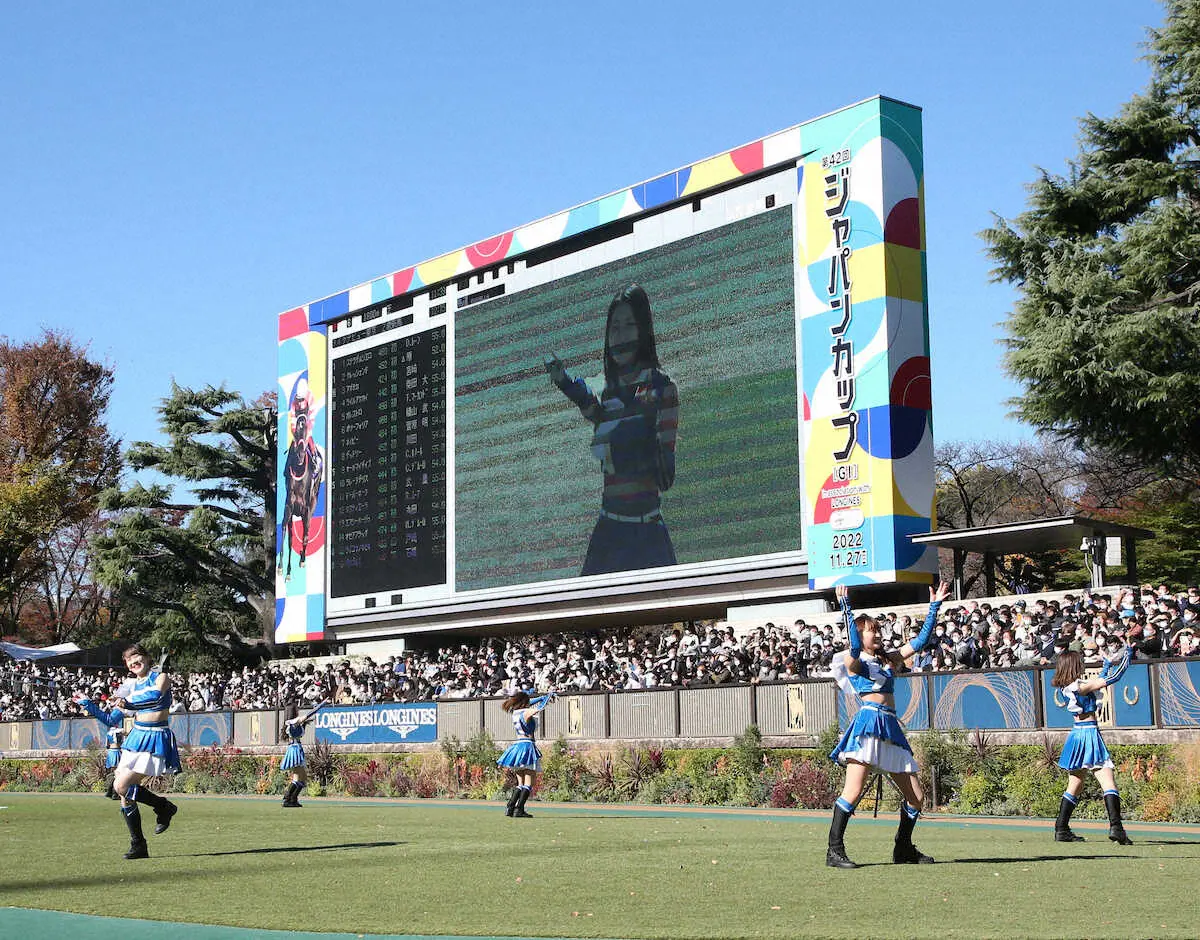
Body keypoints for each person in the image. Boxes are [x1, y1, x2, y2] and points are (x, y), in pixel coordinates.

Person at [546, 284, 679, 576]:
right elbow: (596, 413)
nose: (620, 335)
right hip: (608, 532)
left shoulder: (661, 389)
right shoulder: (609, 389)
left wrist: (637, 427)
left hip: (648, 536)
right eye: (615, 327)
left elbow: (666, 476)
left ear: (643, 330)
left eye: (630, 325)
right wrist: (566, 384)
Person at [826, 580, 952, 869]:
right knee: (853, 791)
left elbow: (919, 642)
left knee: (917, 798)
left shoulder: (887, 659)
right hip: (869, 724)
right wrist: (846, 606)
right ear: (859, 633)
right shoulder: (852, 659)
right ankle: (834, 851)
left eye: (878, 629)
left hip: (890, 727)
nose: (878, 633)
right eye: (873, 629)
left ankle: (903, 848)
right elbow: (855, 647)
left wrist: (934, 607)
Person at [90, 644, 181, 859]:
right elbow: (112, 718)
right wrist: (91, 705)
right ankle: (138, 844)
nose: (133, 662)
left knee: (121, 786)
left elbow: (154, 696)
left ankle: (163, 806)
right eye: (128, 661)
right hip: (136, 737)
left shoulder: (161, 677)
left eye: (136, 657)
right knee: (123, 792)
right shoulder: (129, 684)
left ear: (148, 658)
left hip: (155, 736)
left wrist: (127, 701)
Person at [1050, 640, 1134, 844]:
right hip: (1089, 734)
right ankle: (1116, 827)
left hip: (1076, 734)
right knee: (1108, 782)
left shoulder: (1069, 686)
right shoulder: (1081, 686)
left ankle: (1061, 828)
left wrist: (1106, 664)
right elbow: (1114, 678)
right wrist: (1128, 654)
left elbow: (1101, 679)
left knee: (1075, 785)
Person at [497, 689, 557, 817]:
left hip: (517, 747)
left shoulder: (515, 712)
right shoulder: (526, 712)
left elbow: (532, 703)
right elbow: (539, 708)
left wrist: (542, 697)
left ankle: (510, 807)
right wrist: (547, 698)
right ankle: (519, 809)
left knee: (520, 783)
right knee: (529, 782)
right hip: (527, 746)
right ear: (525, 702)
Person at [74, 693, 126, 799]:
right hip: (116, 751)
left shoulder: (109, 732)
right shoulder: (119, 730)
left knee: (115, 771)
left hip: (111, 751)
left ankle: (111, 791)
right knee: (118, 771)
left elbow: (107, 742)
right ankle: (114, 791)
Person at [280, 702, 320, 808]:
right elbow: (310, 714)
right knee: (298, 777)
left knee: (302, 777)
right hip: (295, 749)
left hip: (295, 748)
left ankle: (293, 799)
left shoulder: (292, 722)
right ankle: (288, 799)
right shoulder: (293, 721)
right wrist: (321, 705)